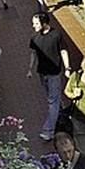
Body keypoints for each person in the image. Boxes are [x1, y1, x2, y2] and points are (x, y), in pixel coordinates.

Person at [27, 12, 71, 142]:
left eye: (36, 23)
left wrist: (67, 68)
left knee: (52, 101)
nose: (33, 26)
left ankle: (49, 130)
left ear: (44, 23)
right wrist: (30, 68)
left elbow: (63, 51)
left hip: (54, 73)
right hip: (42, 72)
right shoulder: (34, 36)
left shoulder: (56, 35)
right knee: (53, 98)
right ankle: (63, 113)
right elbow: (33, 53)